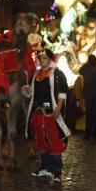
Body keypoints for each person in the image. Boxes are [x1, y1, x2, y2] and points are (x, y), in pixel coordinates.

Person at [25, 48, 70, 183]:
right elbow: (32, 93)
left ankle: (56, 171)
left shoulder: (57, 74)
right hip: (38, 112)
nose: (41, 60)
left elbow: (63, 92)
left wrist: (59, 107)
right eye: (40, 58)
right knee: (40, 140)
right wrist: (28, 91)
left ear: (50, 59)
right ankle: (45, 167)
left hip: (51, 112)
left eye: (44, 58)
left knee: (54, 140)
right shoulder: (36, 74)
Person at [79, 54, 96, 140]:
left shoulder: (86, 68)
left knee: (89, 115)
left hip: (88, 95)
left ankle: (88, 134)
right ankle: (95, 135)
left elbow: (80, 70)